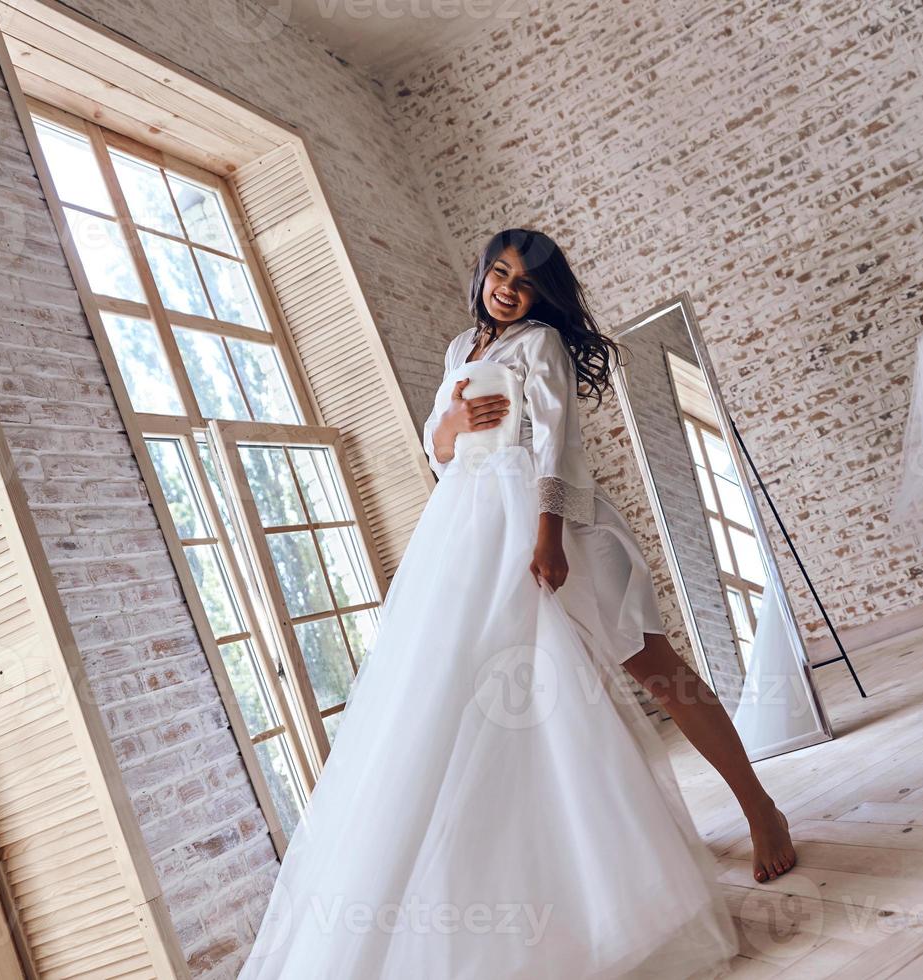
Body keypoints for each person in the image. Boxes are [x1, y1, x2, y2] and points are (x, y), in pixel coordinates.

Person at [238, 228, 794, 979]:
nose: (507, 287)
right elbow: (440, 451)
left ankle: (761, 809)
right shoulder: (457, 348)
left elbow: (559, 447)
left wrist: (550, 537)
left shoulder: (539, 346)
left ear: (543, 296)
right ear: (480, 275)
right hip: (468, 535)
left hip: (552, 530)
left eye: (524, 281)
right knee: (507, 706)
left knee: (657, 671)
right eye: (498, 272)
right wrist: (452, 425)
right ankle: (589, 881)